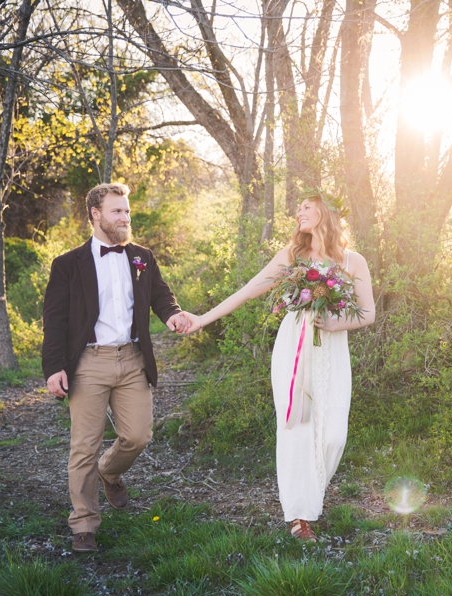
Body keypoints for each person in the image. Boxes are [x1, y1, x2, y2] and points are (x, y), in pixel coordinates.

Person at [176, 190, 375, 541]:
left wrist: (334, 323)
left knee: (333, 436)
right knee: (297, 427)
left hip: (332, 348)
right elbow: (250, 289)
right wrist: (203, 319)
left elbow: (368, 313)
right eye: (298, 208)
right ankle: (299, 515)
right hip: (293, 347)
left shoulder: (353, 261)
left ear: (325, 214)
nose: (298, 212)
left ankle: (311, 495)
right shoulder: (292, 255)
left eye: (306, 207)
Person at [42, 183, 188, 552]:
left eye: (127, 211)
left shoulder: (142, 256)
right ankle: (84, 523)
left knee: (139, 436)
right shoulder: (67, 264)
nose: (125, 218)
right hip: (88, 362)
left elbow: (160, 295)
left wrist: (172, 315)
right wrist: (53, 367)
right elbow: (54, 320)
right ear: (95, 214)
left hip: (133, 358)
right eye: (117, 212)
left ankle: (110, 471)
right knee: (84, 446)